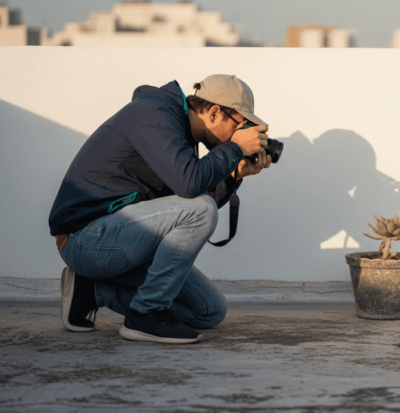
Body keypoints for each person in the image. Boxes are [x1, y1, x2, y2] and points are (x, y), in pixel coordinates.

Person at [49, 74, 270, 344]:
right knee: (200, 210)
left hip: (122, 239)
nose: (242, 132)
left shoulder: (180, 133)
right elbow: (193, 194)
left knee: (209, 311)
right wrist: (235, 148)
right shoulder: (155, 116)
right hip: (83, 239)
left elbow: (193, 199)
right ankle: (145, 315)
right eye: (241, 124)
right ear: (214, 112)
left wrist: (234, 175)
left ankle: (91, 291)